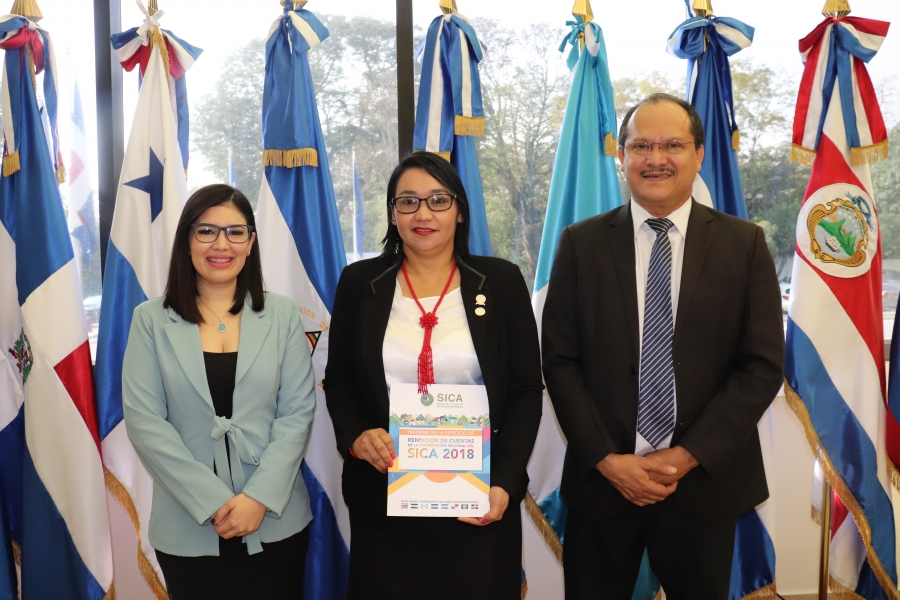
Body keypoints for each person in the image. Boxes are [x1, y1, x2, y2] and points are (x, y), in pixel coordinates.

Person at [541, 93, 785, 599]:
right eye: (641, 146)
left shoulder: (744, 245)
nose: (656, 159)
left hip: (701, 484)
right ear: (621, 157)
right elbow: (560, 362)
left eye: (672, 145)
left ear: (698, 154)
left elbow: (761, 367)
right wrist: (608, 460)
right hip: (603, 484)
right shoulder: (580, 244)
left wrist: (687, 456)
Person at [324, 152, 543, 600]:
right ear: (393, 214)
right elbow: (340, 380)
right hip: (386, 497)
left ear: (459, 211)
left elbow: (524, 390)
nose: (423, 214)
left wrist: (504, 481)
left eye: (438, 200)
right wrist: (356, 436)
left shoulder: (500, 280)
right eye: (408, 201)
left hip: (478, 496)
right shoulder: (360, 282)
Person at [122, 184, 316, 599]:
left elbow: (297, 413)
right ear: (187, 240)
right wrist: (213, 502)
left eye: (235, 232)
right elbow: (145, 422)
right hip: (187, 523)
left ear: (251, 242)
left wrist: (258, 498)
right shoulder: (150, 319)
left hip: (274, 519)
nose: (221, 244)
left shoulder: (282, 314)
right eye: (206, 231)